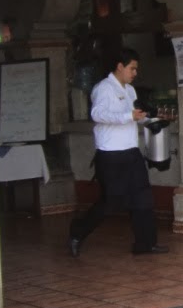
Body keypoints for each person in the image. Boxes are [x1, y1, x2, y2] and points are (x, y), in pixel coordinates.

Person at [68, 51, 169, 257]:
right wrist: (128, 116)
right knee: (112, 201)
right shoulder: (103, 88)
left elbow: (134, 116)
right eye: (132, 68)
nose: (135, 73)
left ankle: (145, 244)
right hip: (110, 153)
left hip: (131, 150)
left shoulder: (130, 90)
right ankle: (77, 232)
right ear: (120, 66)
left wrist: (150, 119)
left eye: (136, 69)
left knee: (143, 197)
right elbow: (97, 114)